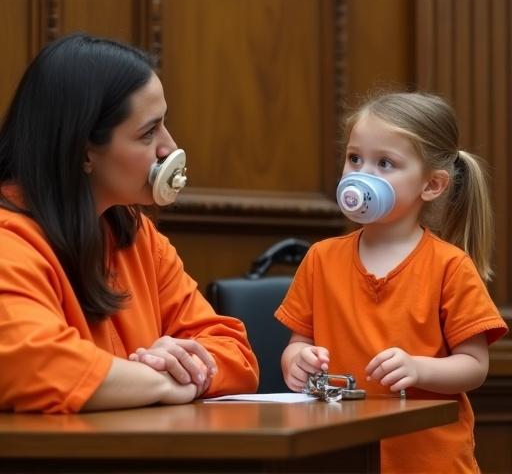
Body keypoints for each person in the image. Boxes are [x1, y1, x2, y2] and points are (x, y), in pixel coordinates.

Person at [0, 33, 258, 413]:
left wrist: (177, 367)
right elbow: (31, 365)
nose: (169, 147)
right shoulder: (9, 241)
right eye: (148, 132)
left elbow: (235, 352)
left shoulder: (137, 234)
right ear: (84, 151)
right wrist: (159, 380)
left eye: (163, 124)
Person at [275, 92, 508, 473]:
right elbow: (299, 342)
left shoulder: (450, 266)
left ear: (431, 185)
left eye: (384, 163)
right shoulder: (321, 258)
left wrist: (421, 369)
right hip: (341, 454)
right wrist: (295, 361)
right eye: (354, 159)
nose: (362, 174)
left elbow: (474, 365)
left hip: (428, 461)